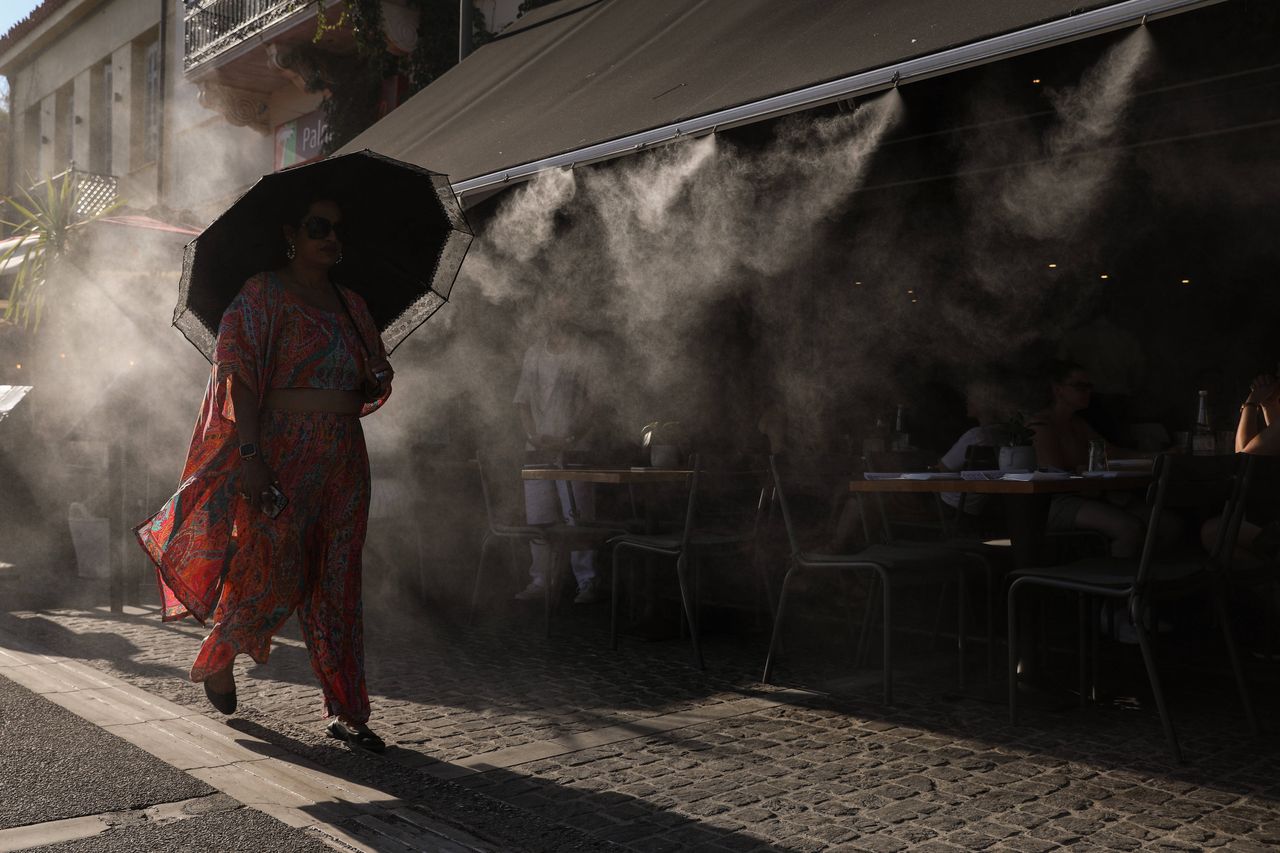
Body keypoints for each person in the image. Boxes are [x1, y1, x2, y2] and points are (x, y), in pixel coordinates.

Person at [136, 193, 393, 753]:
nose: (331, 237)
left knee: (340, 582)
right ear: (291, 232)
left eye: (337, 230)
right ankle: (221, 654)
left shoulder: (352, 304)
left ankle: (348, 710)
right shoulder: (262, 294)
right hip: (281, 452)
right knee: (273, 568)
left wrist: (375, 376)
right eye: (318, 226)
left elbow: (371, 383)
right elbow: (239, 380)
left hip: (346, 457)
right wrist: (251, 457)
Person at [513, 293, 605, 604]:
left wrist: (570, 437)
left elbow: (595, 402)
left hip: (575, 448)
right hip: (537, 448)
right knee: (539, 518)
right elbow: (522, 402)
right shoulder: (534, 353)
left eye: (563, 304)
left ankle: (587, 582)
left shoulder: (587, 352)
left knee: (577, 518)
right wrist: (534, 436)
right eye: (551, 305)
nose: (556, 311)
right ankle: (542, 581)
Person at [1030, 359, 1174, 558]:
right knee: (1129, 528)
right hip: (1056, 502)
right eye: (1080, 386)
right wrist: (1087, 478)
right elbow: (1055, 476)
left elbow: (1111, 452)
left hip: (1091, 494)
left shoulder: (1078, 424)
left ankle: (1149, 577)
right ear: (1058, 389)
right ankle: (1117, 582)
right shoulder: (1041, 426)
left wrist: (1155, 457)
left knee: (1168, 524)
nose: (1088, 392)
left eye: (1090, 386)